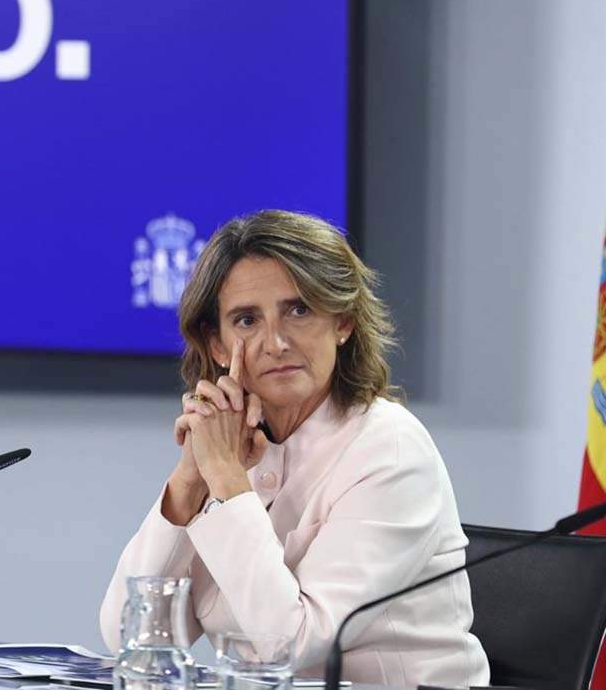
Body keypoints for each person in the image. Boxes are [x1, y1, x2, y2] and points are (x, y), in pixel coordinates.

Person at [99, 210, 489, 688]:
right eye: (246, 320)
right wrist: (190, 479)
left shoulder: (390, 450)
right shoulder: (233, 447)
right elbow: (131, 637)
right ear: (217, 345)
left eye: (299, 310)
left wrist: (225, 477)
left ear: (342, 321)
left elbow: (294, 644)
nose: (276, 342)